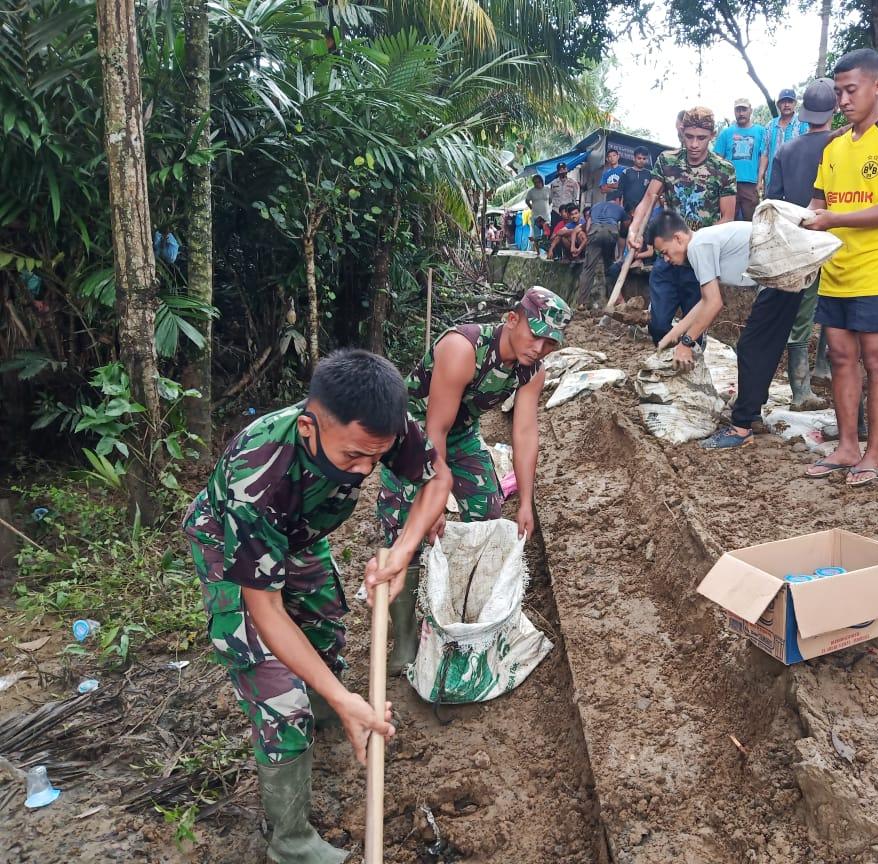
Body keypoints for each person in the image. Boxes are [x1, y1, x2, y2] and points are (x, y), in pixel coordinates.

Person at [185, 349, 453, 864]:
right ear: (309, 427)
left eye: (376, 458)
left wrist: (401, 553)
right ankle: (291, 843)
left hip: (300, 533)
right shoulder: (257, 476)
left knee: (324, 632)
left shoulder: (379, 423)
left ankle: (329, 713)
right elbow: (267, 611)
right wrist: (347, 697)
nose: (365, 470)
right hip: (233, 546)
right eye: (353, 457)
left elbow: (436, 479)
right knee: (279, 693)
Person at [377, 289, 572, 667]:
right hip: (413, 432)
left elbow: (525, 432)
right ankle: (404, 637)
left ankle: (465, 604)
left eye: (550, 343)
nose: (539, 348)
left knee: (487, 508)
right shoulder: (462, 348)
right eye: (535, 335)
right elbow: (436, 427)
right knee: (404, 523)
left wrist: (526, 502)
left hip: (462, 432)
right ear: (512, 320)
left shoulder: (532, 370)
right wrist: (434, 502)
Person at [801, 48, 878, 487]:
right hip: (836, 267)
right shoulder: (833, 144)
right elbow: (818, 203)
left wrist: (835, 219)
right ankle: (847, 446)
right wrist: (793, 222)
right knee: (839, 356)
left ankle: (875, 454)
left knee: (876, 359)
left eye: (851, 90)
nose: (844, 100)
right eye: (838, 92)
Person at [648, 213, 806, 450]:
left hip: (783, 271)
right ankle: (751, 411)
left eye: (665, 252)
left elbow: (714, 304)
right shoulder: (703, 243)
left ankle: (741, 428)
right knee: (762, 345)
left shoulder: (699, 247)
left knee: (751, 347)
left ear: (678, 239)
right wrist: (671, 337)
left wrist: (686, 343)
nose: (666, 259)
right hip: (785, 270)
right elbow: (703, 302)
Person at [627, 106, 736, 344]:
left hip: (700, 263)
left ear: (712, 135)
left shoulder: (723, 169)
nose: (694, 144)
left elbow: (727, 218)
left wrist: (698, 245)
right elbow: (649, 198)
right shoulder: (667, 161)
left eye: (701, 138)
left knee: (695, 331)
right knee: (658, 325)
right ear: (681, 132)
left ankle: (690, 358)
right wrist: (634, 229)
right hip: (667, 258)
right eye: (689, 137)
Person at [768, 77, 838, 412]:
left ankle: (804, 384)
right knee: (835, 305)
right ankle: (812, 379)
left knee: (802, 313)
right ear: (834, 109)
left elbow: (772, 200)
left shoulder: (786, 150)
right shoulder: (842, 144)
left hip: (799, 242)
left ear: (803, 112)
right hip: (838, 237)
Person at [713, 97, 768, 220]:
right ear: (734, 112)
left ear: (750, 111)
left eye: (744, 109)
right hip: (729, 184)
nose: (741, 113)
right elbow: (717, 159)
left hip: (751, 183)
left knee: (751, 221)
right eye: (738, 110)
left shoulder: (761, 131)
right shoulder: (726, 133)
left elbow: (763, 157)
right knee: (728, 221)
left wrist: (760, 181)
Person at [578, 188, 627, 306]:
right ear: (618, 199)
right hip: (610, 232)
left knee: (588, 269)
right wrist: (620, 254)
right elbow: (624, 231)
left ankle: (581, 304)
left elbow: (588, 226)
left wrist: (591, 239)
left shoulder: (595, 206)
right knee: (609, 266)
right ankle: (612, 300)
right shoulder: (620, 209)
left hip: (594, 231)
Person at [764, 88, 810, 191]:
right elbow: (764, 154)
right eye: (783, 102)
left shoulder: (803, 124)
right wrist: (759, 179)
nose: (786, 105)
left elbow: (808, 153)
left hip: (796, 179)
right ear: (778, 105)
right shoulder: (770, 126)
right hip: (773, 180)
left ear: (795, 104)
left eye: (790, 101)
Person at [548, 162, 581, 233]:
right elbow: (550, 197)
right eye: (560, 170)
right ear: (558, 171)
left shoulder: (573, 183)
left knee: (569, 231)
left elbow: (575, 197)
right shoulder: (553, 183)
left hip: (568, 212)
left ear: (567, 170)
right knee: (554, 232)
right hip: (556, 211)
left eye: (564, 169)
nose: (562, 171)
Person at [524, 173, 551, 243]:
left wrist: (546, 207)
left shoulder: (547, 189)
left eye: (538, 182)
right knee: (536, 236)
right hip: (535, 216)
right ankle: (537, 249)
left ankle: (545, 248)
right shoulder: (531, 191)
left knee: (547, 234)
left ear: (541, 181)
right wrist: (531, 208)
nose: (537, 184)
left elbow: (550, 200)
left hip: (546, 215)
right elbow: (527, 201)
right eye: (535, 182)